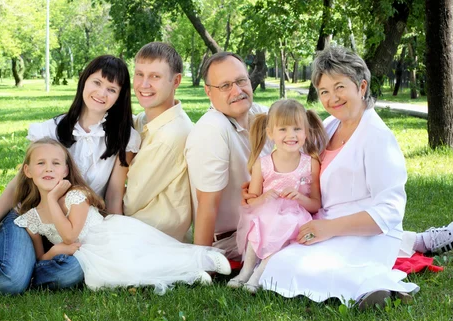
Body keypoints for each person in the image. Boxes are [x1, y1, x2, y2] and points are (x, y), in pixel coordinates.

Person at [258, 46, 453, 308]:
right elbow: (295, 161)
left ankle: (378, 287)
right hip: (326, 225)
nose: (332, 98)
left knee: (309, 269)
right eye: (324, 91)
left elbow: (389, 211)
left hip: (366, 233)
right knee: (277, 265)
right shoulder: (330, 126)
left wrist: (328, 229)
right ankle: (417, 242)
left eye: (339, 87)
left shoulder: (377, 137)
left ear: (361, 86)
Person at [0, 56, 140, 293]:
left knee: (71, 272)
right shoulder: (50, 130)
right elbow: (17, 186)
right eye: (96, 82)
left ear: (120, 96)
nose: (101, 93)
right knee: (10, 282)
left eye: (112, 89)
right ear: (84, 82)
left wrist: (117, 240)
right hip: (31, 221)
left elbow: (114, 194)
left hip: (74, 229)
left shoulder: (123, 138)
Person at [10, 139, 231, 294]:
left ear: (66, 171)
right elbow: (40, 260)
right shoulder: (32, 218)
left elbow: (69, 236)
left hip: (110, 238)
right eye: (41, 163)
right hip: (87, 256)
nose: (48, 169)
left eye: (55, 163)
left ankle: (203, 260)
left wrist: (51, 199)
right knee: (126, 274)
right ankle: (189, 276)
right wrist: (56, 250)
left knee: (147, 260)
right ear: (28, 171)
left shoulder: (75, 196)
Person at [228, 99, 327, 293]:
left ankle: (257, 276)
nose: (291, 135)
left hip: (296, 219)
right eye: (283, 129)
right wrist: (263, 199)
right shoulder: (262, 164)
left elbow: (316, 204)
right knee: (260, 225)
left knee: (283, 228)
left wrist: (299, 197)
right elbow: (252, 200)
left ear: (306, 132)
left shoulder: (310, 163)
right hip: (266, 214)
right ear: (271, 133)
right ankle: (246, 271)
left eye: (297, 129)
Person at [185, 52, 272, 260]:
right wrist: (205, 264)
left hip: (265, 224)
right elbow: (207, 204)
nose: (237, 91)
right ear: (208, 91)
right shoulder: (212, 129)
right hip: (231, 241)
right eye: (225, 86)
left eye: (241, 81)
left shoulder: (260, 115)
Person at [123, 42, 193, 242]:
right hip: (141, 225)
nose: (144, 84)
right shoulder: (145, 120)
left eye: (155, 76)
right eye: (139, 74)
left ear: (176, 81)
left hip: (152, 235)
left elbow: (131, 202)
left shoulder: (170, 135)